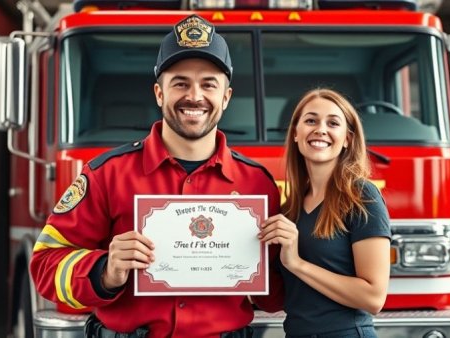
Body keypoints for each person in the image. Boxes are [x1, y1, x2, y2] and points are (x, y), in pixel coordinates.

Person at [29, 14, 280, 338]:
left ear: (226, 97)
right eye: (180, 83)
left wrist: (288, 258)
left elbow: (273, 297)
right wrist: (104, 271)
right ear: (159, 93)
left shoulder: (257, 184)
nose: (195, 96)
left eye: (208, 84)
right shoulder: (107, 175)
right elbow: (45, 265)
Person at [257, 88, 391, 338]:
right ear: (296, 133)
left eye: (333, 123)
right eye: (310, 120)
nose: (320, 129)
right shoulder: (290, 209)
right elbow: (276, 298)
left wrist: (296, 263)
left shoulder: (362, 196)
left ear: (348, 139)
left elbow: (374, 297)